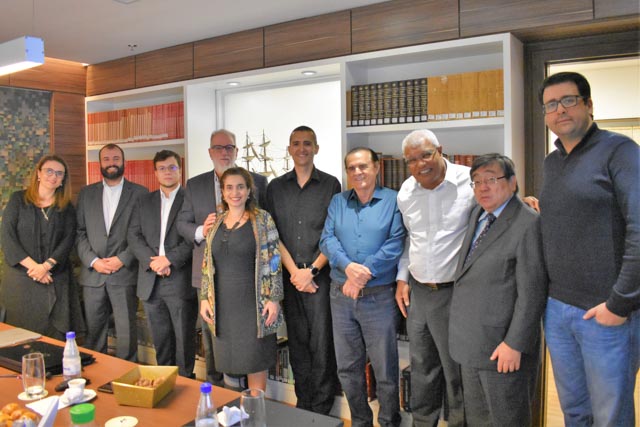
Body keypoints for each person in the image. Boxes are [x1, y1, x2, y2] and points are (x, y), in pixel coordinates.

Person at [539, 71, 639, 426]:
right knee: (575, 412)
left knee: (610, 416)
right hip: (557, 309)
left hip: (605, 313)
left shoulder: (620, 151)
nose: (560, 110)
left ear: (589, 105)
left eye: (569, 100)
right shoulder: (552, 163)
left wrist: (620, 303)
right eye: (551, 104)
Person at [449, 153, 547, 426]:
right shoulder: (478, 214)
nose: (483, 187)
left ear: (512, 183)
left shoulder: (528, 223)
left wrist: (515, 343)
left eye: (491, 179)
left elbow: (533, 293)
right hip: (472, 344)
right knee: (479, 420)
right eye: (477, 181)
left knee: (507, 419)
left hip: (503, 348)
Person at [320, 147, 405, 427]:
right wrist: (348, 268)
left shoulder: (393, 200)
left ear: (376, 167)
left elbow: (396, 243)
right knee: (347, 368)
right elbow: (327, 240)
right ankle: (360, 422)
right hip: (341, 296)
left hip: (379, 298)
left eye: (363, 166)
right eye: (352, 168)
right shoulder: (338, 202)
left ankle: (389, 421)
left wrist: (361, 275)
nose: (358, 172)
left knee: (385, 369)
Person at [177, 129, 267, 385]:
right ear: (210, 152)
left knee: (249, 342)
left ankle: (248, 397)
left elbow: (267, 234)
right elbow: (182, 223)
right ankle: (217, 394)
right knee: (213, 341)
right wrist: (201, 231)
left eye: (229, 147)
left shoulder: (259, 182)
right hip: (208, 278)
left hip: (248, 279)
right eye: (218, 148)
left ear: (236, 151)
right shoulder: (194, 185)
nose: (224, 152)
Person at [395, 129, 469, 427]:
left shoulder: (469, 182)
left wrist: (523, 200)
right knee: (422, 368)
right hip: (419, 293)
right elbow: (409, 240)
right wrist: (402, 278)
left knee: (456, 371)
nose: (420, 164)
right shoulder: (405, 192)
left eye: (425, 155)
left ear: (440, 150)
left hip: (455, 294)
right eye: (411, 160)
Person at [265, 125, 341, 414]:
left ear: (316, 148)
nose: (302, 148)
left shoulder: (331, 185)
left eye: (307, 143)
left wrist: (311, 271)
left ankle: (321, 408)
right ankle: (303, 403)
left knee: (322, 344)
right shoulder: (275, 187)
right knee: (297, 344)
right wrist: (296, 273)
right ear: (289, 149)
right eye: (296, 143)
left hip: (320, 278)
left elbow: (334, 233)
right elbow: (273, 235)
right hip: (290, 280)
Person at [199, 167, 283, 391]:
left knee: (254, 362)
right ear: (222, 192)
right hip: (222, 307)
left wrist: (274, 299)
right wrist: (204, 298)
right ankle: (235, 409)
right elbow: (206, 263)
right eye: (229, 187)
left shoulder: (262, 219)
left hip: (254, 306)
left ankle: (255, 410)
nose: (234, 192)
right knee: (228, 362)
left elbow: (274, 260)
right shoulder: (216, 222)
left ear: (248, 191)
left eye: (240, 187)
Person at [128, 150, 197, 377]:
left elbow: (194, 238)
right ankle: (165, 382)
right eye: (162, 168)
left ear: (180, 170)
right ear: (155, 173)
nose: (167, 172)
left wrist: (169, 259)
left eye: (172, 167)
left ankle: (186, 384)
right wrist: (154, 263)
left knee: (184, 340)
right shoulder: (143, 201)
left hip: (179, 279)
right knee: (161, 340)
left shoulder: (190, 199)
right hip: (151, 280)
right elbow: (133, 235)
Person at [76, 143, 148, 361]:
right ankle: (97, 375)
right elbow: (79, 233)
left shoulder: (140, 193)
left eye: (116, 158)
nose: (111, 163)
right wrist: (93, 261)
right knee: (94, 335)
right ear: (100, 163)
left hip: (124, 274)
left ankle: (126, 376)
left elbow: (144, 234)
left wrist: (123, 259)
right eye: (106, 159)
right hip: (93, 275)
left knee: (126, 335)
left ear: (124, 161)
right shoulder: (86, 194)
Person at [1, 154, 82, 340]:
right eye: (49, 171)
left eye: (59, 173)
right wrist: (35, 268)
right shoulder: (18, 200)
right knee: (19, 337)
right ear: (38, 173)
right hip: (21, 280)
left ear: (63, 180)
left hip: (54, 277)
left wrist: (45, 266)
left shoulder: (67, 207)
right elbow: (7, 237)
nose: (53, 176)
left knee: (54, 339)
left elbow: (68, 240)